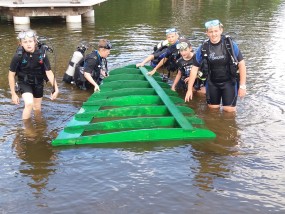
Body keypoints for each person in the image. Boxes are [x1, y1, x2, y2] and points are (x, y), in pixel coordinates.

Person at [184, 20, 246, 112]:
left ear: (221, 30)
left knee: (229, 112)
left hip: (229, 83)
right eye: (211, 31)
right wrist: (189, 89)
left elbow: (242, 64)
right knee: (213, 111)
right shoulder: (203, 48)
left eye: (216, 31)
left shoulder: (229, 45)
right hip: (212, 83)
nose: (214, 34)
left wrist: (242, 86)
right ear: (207, 33)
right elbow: (194, 69)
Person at [8, 29, 59, 120]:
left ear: (35, 42)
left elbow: (49, 72)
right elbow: (11, 75)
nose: (28, 44)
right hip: (24, 82)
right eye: (25, 42)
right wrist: (13, 94)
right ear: (21, 44)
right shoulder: (18, 56)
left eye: (30, 41)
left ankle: (39, 126)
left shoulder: (42, 54)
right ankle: (27, 129)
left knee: (37, 108)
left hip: (38, 83)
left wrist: (56, 88)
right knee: (29, 103)